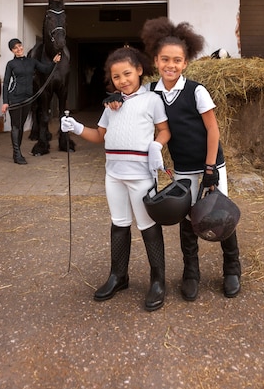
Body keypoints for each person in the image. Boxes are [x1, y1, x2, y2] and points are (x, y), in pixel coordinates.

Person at [60, 46, 171, 311]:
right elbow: (99, 136)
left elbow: (164, 130)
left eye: (127, 74)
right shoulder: (112, 104)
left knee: (147, 225)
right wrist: (75, 127)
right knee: (119, 224)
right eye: (117, 77)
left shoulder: (152, 100)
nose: (123, 80)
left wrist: (157, 146)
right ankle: (118, 276)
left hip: (141, 176)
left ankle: (158, 280)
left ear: (140, 71)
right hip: (114, 175)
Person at [141, 17, 241, 299]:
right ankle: (191, 273)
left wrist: (211, 168)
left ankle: (232, 269)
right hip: (183, 169)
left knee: (221, 217)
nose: (170, 65)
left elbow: (212, 128)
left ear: (185, 63)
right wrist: (112, 97)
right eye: (164, 60)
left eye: (177, 60)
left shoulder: (196, 90)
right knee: (188, 222)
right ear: (156, 61)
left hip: (210, 165)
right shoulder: (150, 92)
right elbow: (128, 98)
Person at [1, 38, 61, 165]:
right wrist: (5, 102)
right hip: (15, 98)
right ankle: (17, 154)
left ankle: (16, 152)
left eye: (19, 46)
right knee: (16, 126)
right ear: (12, 51)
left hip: (28, 98)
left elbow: (45, 70)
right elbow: (6, 83)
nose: (19, 49)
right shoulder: (11, 64)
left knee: (21, 126)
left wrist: (54, 62)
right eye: (15, 48)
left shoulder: (32, 62)